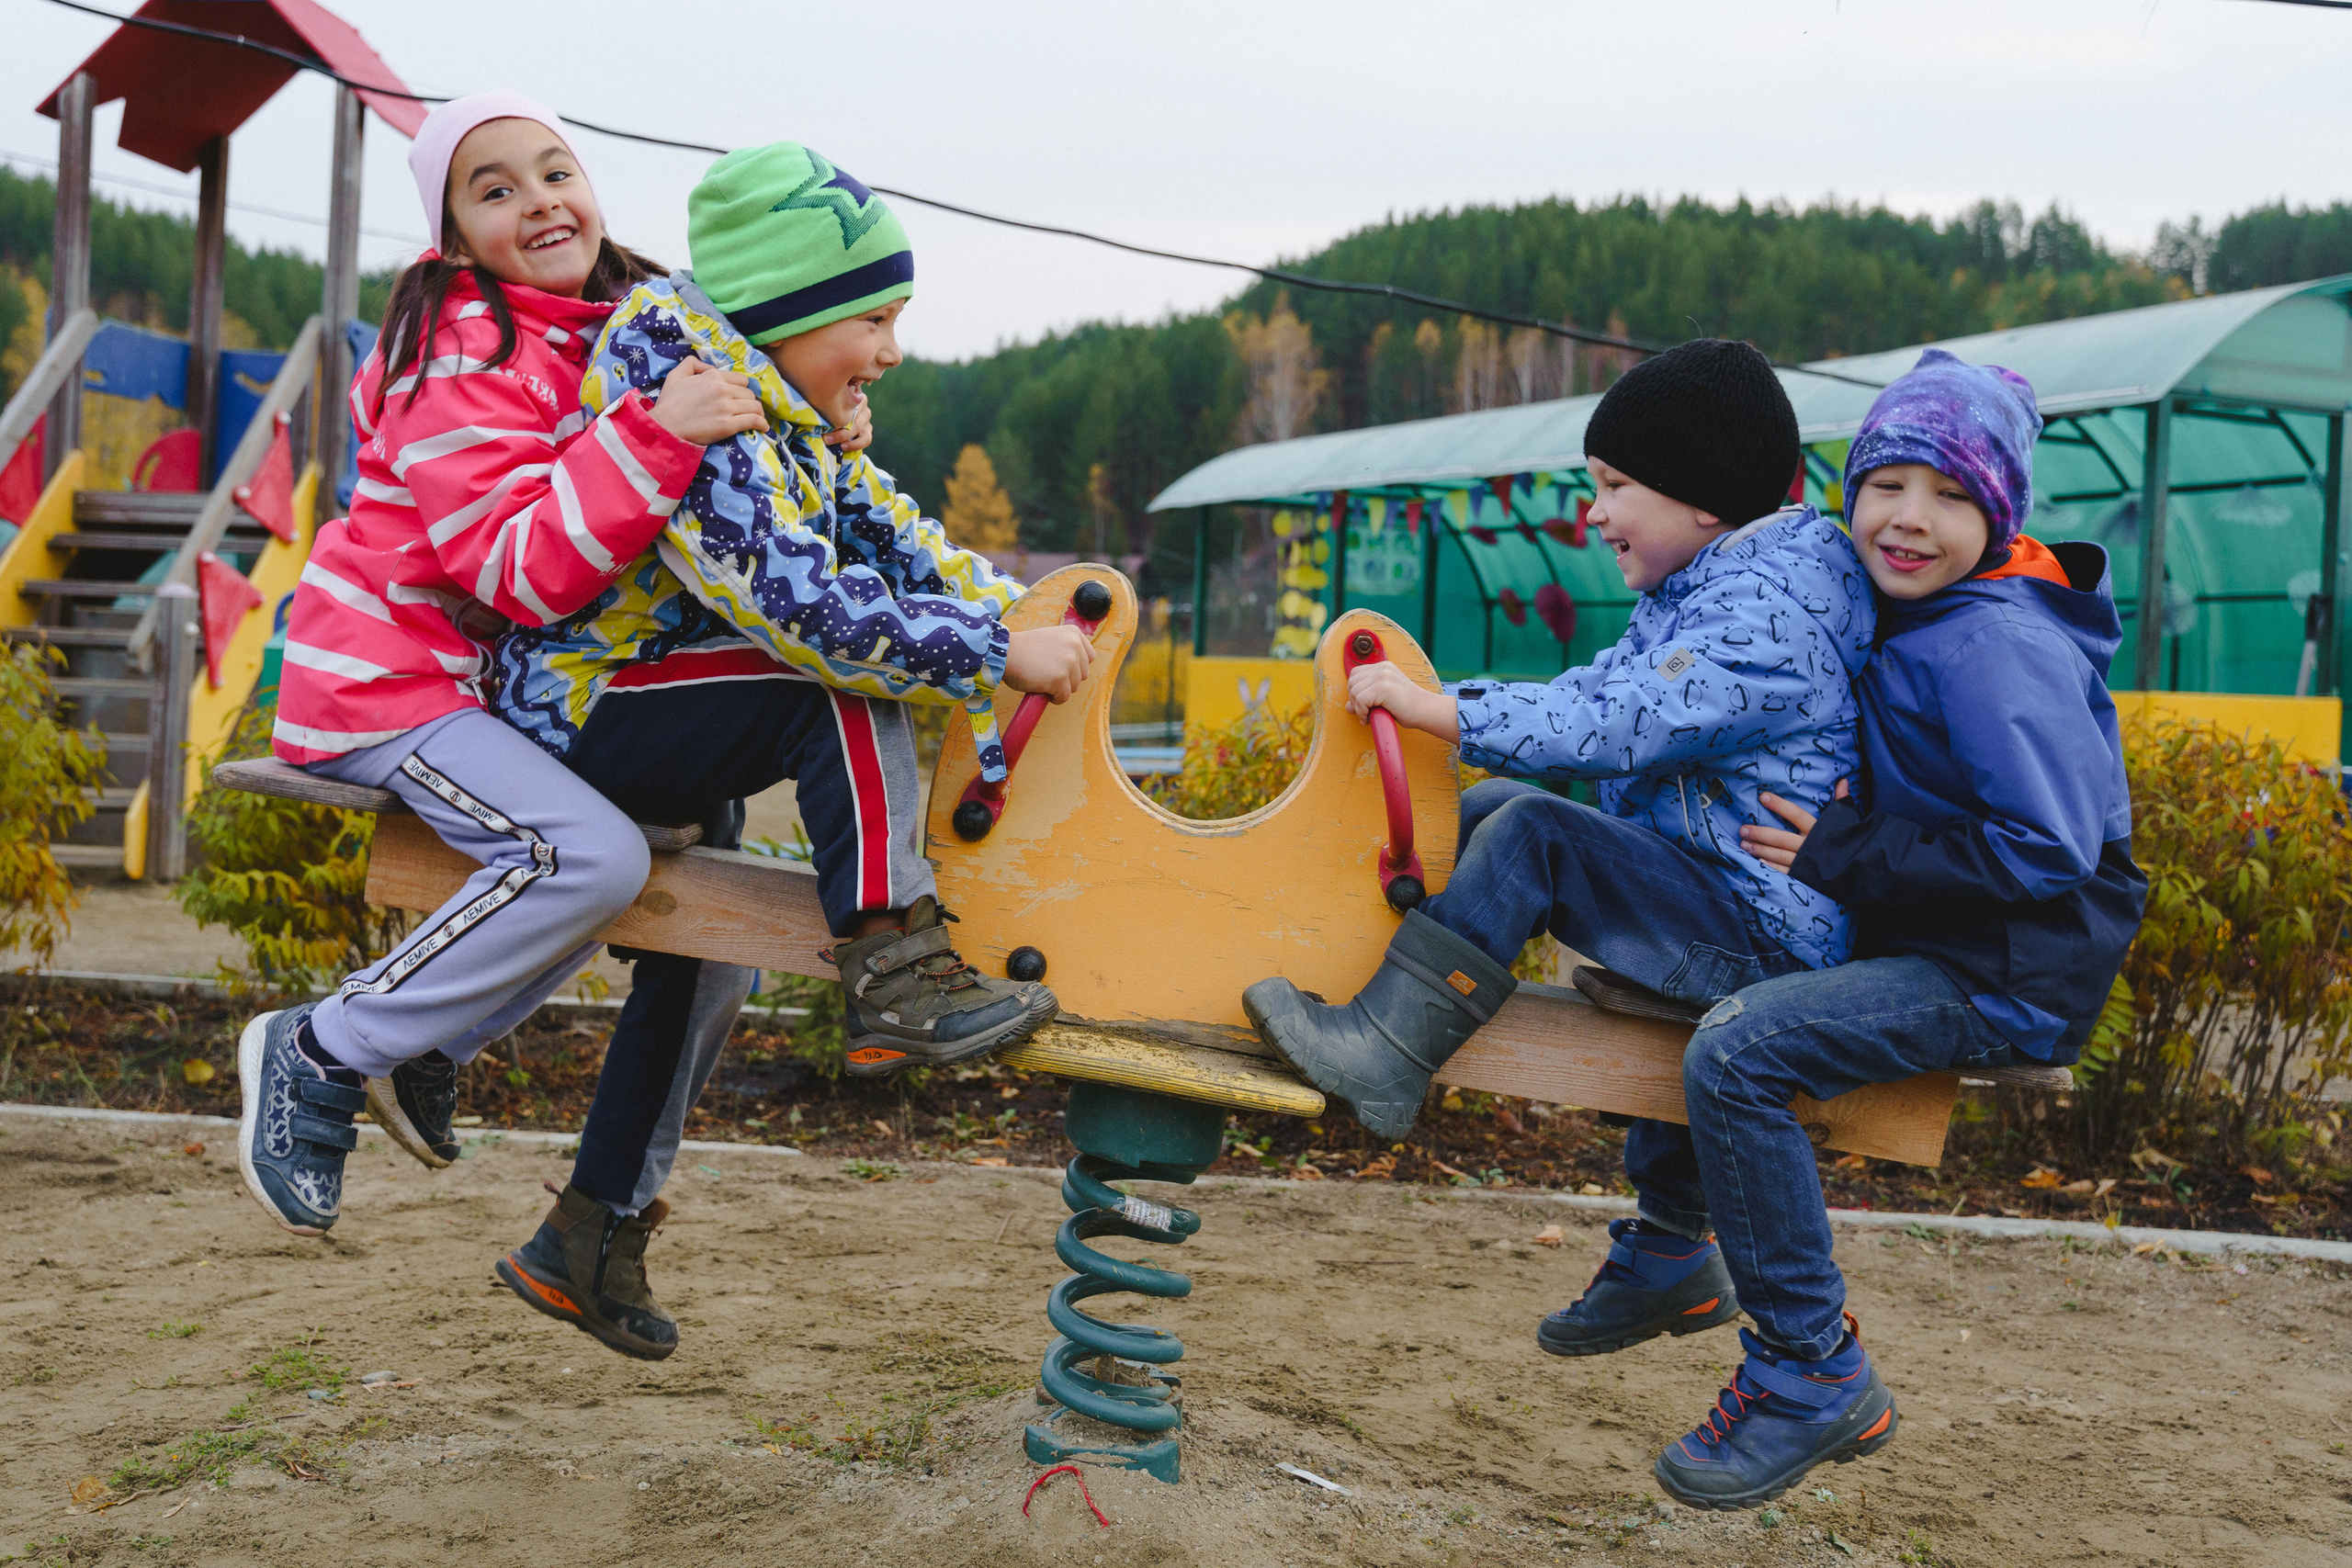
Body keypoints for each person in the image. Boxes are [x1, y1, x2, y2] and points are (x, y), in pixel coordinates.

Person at [484, 141, 1089, 1360]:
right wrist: (985, 648)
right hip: (579, 701)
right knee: (834, 682)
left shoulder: (781, 400)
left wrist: (1023, 607)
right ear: (794, 305)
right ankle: (893, 963)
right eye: (877, 316)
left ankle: (589, 1232)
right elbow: (791, 600)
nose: (892, 350)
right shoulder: (685, 367)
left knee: (703, 962)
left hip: (658, 701)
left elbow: (890, 536)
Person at [1241, 339, 1874, 1358]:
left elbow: (1620, 720)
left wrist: (1438, 709)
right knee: (1496, 806)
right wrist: (1462, 713)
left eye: (1614, 486)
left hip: (1759, 936)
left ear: (1702, 497)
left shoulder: (1764, 613)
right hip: (1721, 891)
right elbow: (1594, 688)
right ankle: (1668, 1258)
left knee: (1538, 832)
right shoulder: (1720, 581)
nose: (1593, 513)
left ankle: (1385, 1056)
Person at [235, 92, 786, 1240]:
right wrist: (661, 434)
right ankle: (326, 1045)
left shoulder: (616, 329)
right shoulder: (458, 350)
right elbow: (512, 570)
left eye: (555, 171)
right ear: (451, 238)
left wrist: (815, 413)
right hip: (389, 677)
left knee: (645, 855)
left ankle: (430, 1039)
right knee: (586, 853)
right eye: (494, 188)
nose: (537, 198)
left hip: (485, 686)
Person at [1624, 347, 2141, 1507]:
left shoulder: (1995, 644)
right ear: (1844, 490)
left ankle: (1809, 1368)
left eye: (1953, 496)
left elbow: (2046, 852)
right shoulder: (1910, 611)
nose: (1910, 519)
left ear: (1998, 514)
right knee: (1707, 967)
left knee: (1741, 1047)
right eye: (1887, 484)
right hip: (1947, 938)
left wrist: (1841, 854)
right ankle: (1667, 1248)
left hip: (2007, 971)